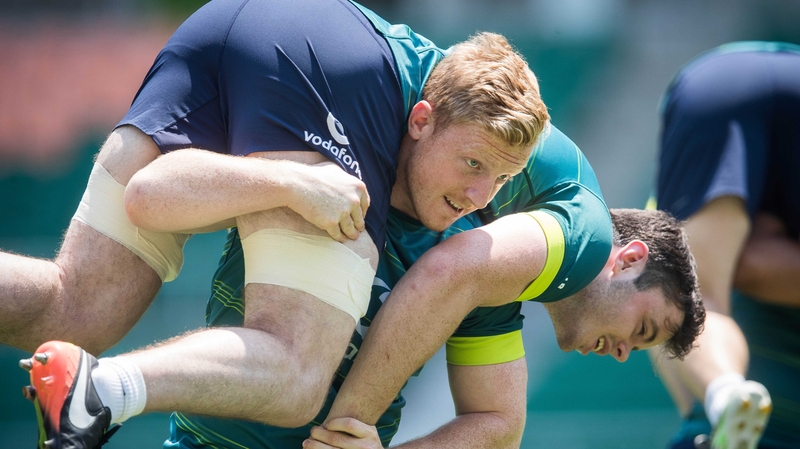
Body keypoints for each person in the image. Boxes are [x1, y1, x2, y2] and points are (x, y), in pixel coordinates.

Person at [14, 0, 549, 447]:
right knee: (297, 374)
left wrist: (285, 182)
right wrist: (293, 182)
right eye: (473, 164)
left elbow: (147, 195)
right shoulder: (348, 165)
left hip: (233, 26)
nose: (480, 196)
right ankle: (100, 390)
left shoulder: (479, 246)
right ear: (421, 121)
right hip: (320, 43)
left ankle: (88, 384)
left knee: (73, 308)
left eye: (503, 178)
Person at [152, 124, 703, 448]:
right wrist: (349, 426)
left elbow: (500, 427)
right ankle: (111, 387)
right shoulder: (349, 171)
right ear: (629, 260)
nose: (624, 353)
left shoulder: (495, 272)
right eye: (643, 328)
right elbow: (452, 269)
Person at [648, 41, 800, 449]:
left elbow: (747, 262)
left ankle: (721, 397)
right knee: (686, 287)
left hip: (713, 79)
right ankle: (715, 406)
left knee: (687, 290)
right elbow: (752, 266)